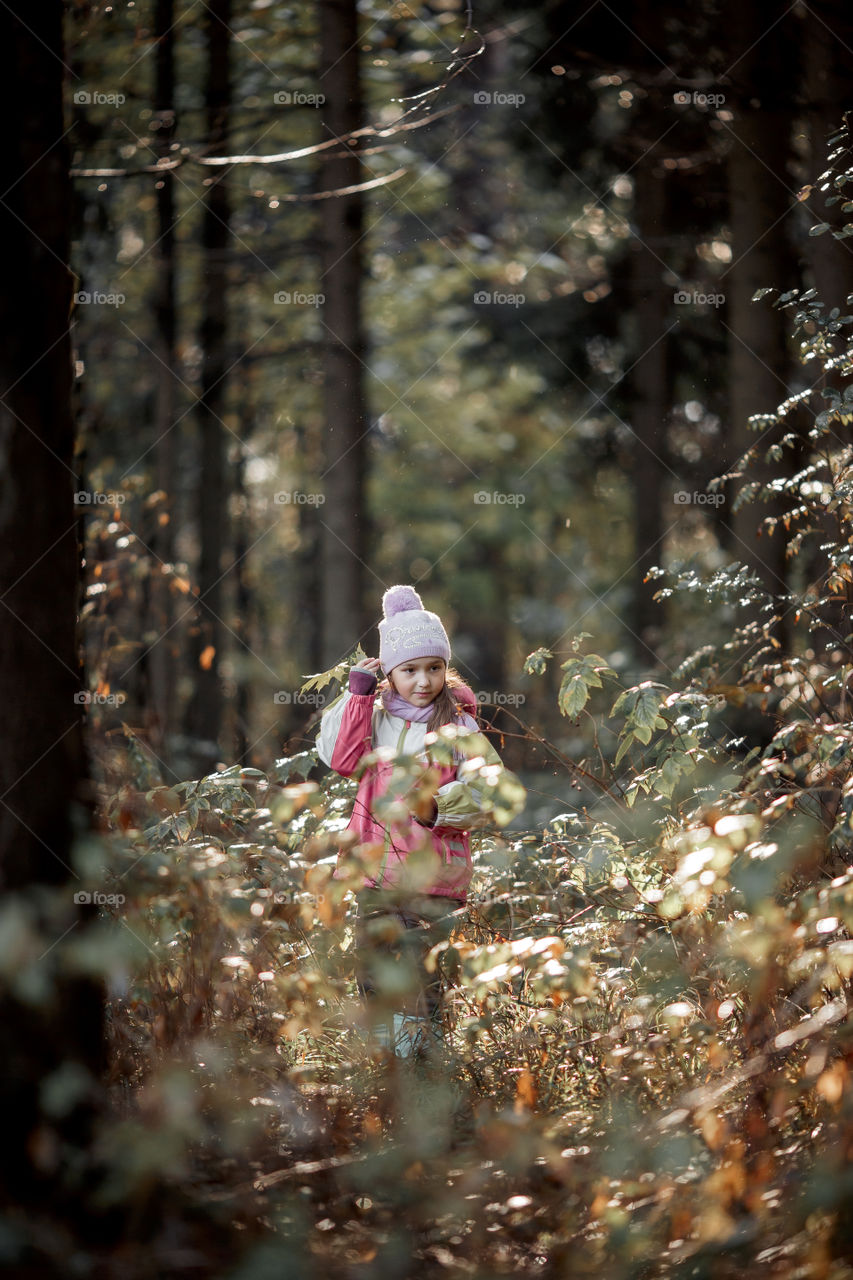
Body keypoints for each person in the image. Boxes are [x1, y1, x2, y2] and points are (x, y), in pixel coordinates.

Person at [316, 584, 523, 1059]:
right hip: (376, 872)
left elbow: (494, 792)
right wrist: (357, 698)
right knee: (372, 970)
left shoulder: (458, 726)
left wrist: (439, 808)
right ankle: (382, 1066)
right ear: (390, 673)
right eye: (409, 670)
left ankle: (423, 1068)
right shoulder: (374, 718)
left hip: (435, 878)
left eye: (434, 668)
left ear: (446, 669)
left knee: (422, 974)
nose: (423, 681)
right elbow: (343, 761)